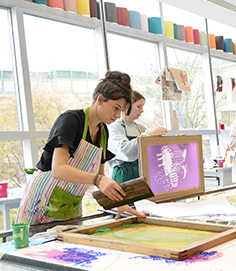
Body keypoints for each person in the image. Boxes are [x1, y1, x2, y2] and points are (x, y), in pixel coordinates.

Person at [16, 71, 146, 225]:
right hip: (41, 202)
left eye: (121, 111)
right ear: (100, 99)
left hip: (70, 206)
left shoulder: (103, 132)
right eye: (115, 108)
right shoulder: (71, 121)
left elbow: (100, 179)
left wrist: (119, 204)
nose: (118, 115)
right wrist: (98, 179)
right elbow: (59, 169)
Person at [107, 91, 167, 184]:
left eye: (142, 107)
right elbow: (125, 151)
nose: (142, 110)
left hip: (141, 174)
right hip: (123, 175)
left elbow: (155, 150)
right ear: (126, 106)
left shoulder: (140, 128)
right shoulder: (115, 127)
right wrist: (147, 136)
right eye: (139, 106)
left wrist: (176, 141)